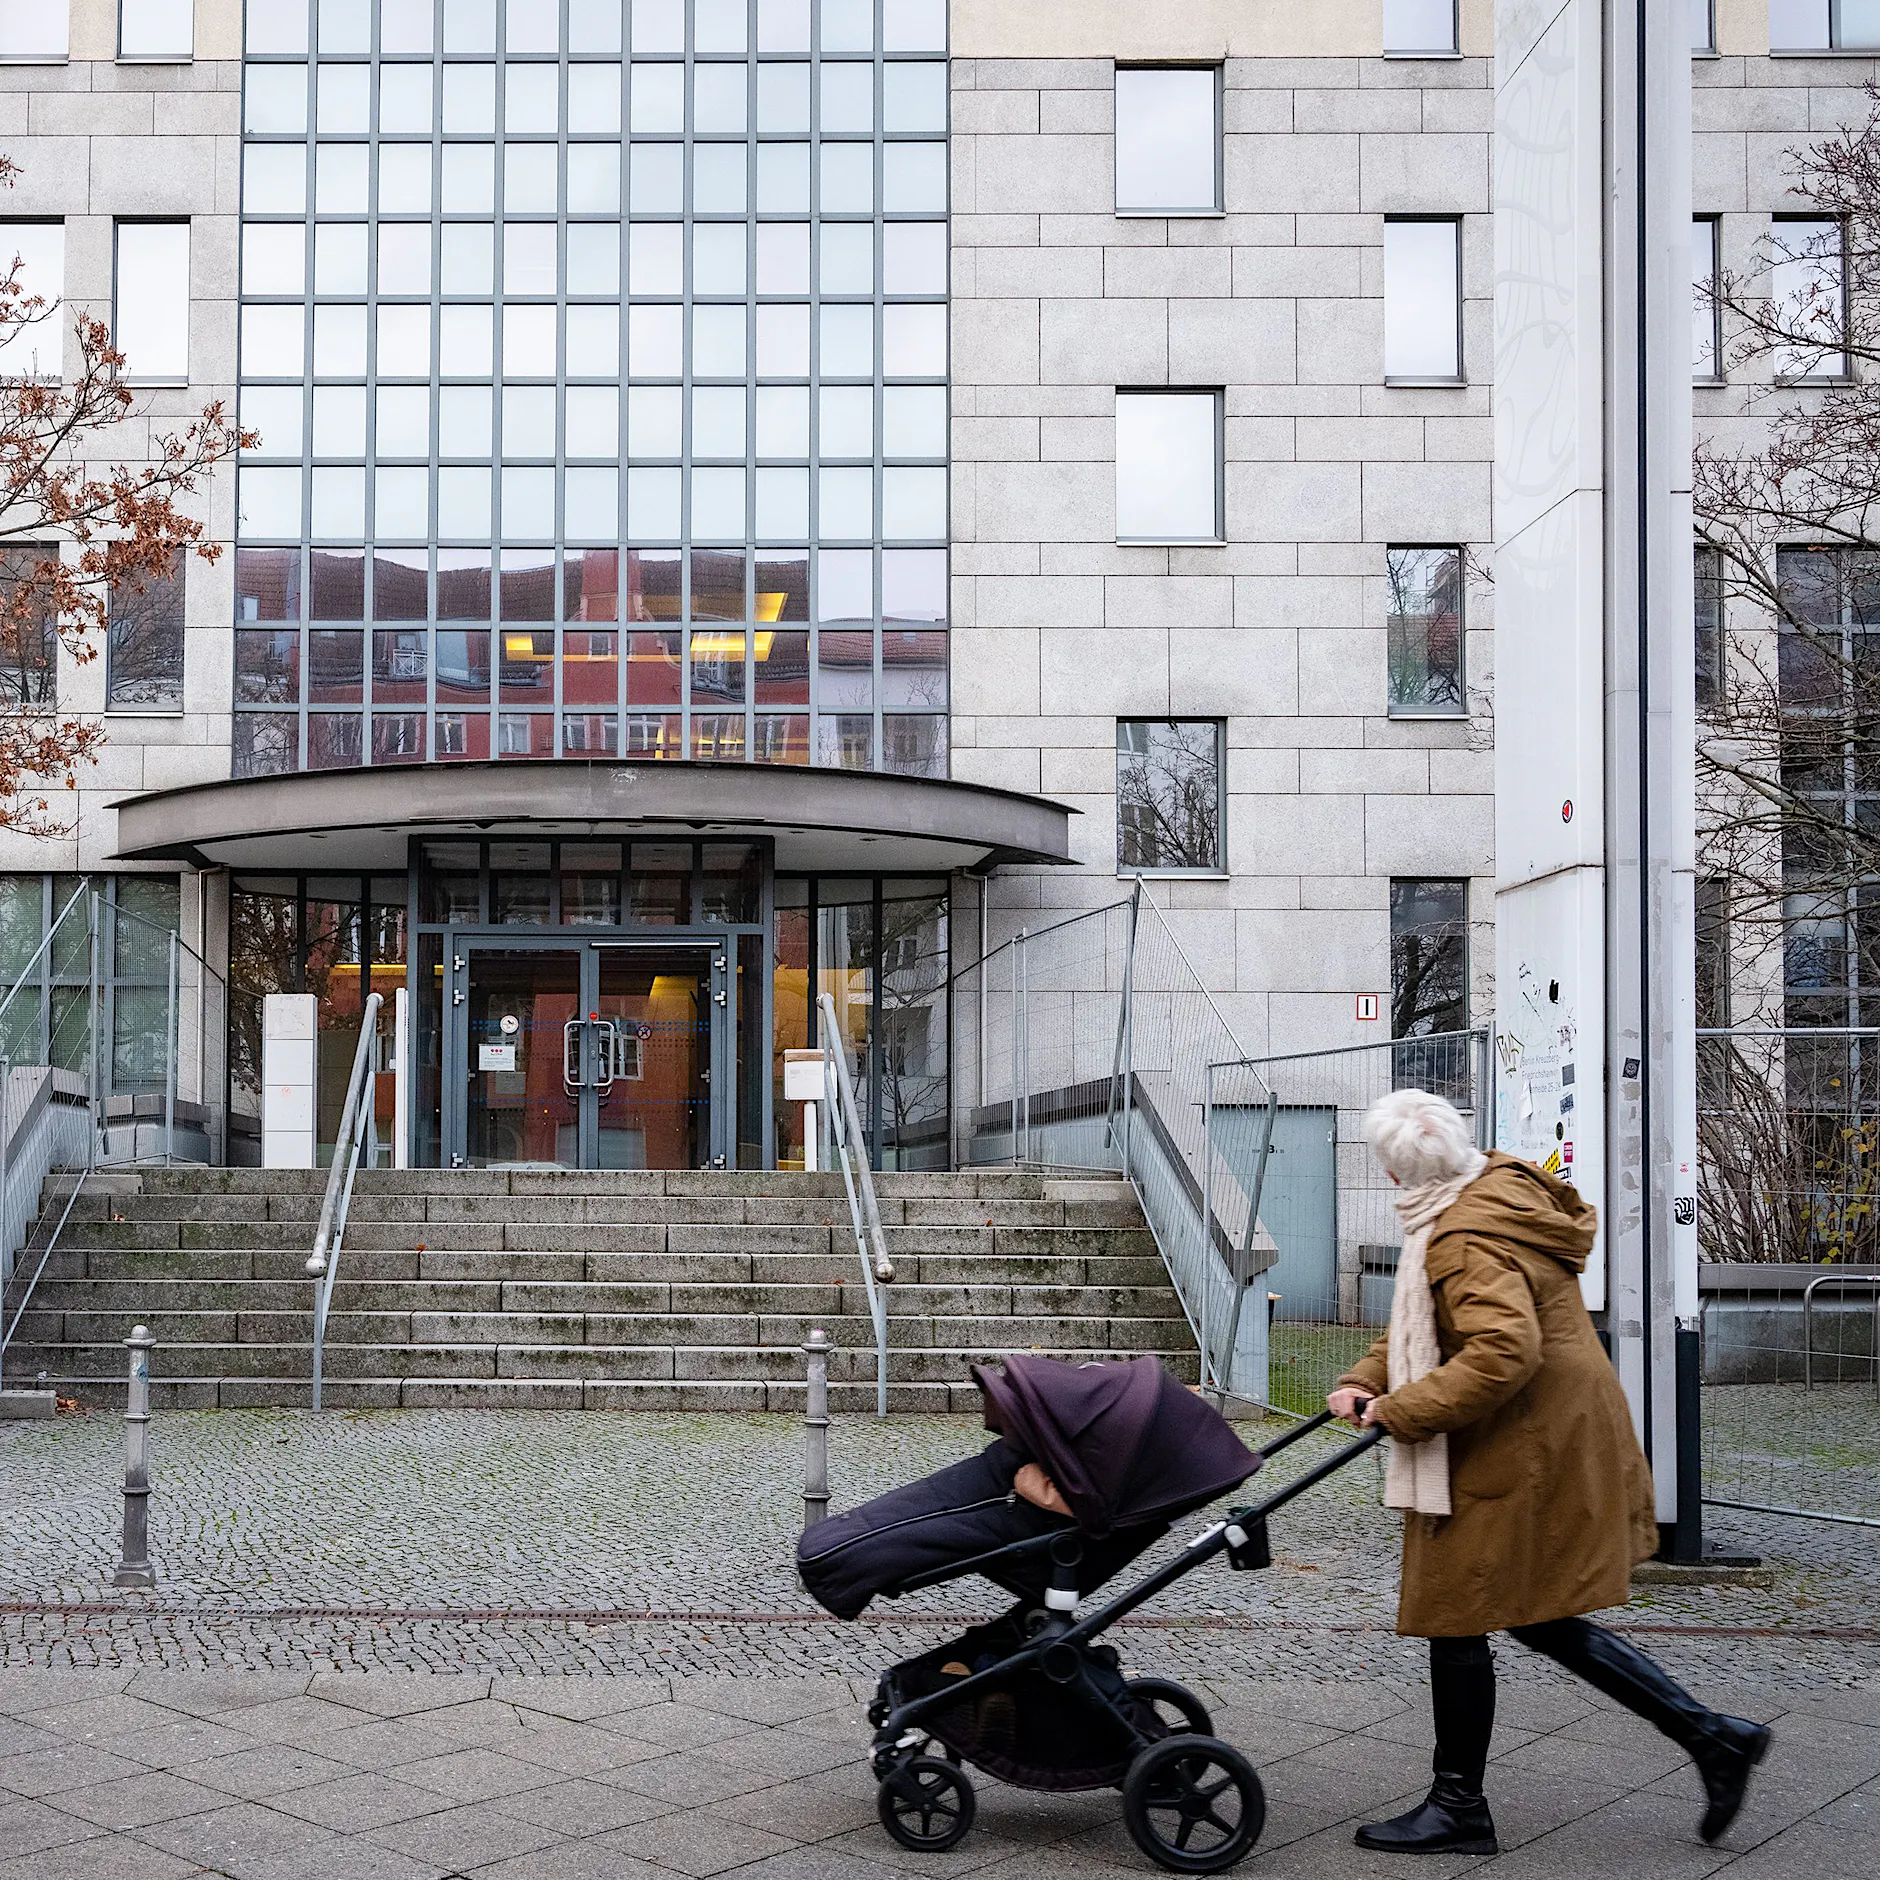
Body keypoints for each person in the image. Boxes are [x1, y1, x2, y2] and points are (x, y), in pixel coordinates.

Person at [1326, 1088, 1769, 1855]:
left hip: (1522, 1442)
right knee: (1536, 1615)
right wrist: (1369, 1377)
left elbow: (1500, 1351)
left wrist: (1398, 1412)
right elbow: (1423, 1322)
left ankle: (1459, 1808)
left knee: (1455, 1610)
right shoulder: (1493, 1185)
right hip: (1546, 1429)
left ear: (1398, 1174)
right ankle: (1712, 1736)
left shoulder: (1462, 1233)